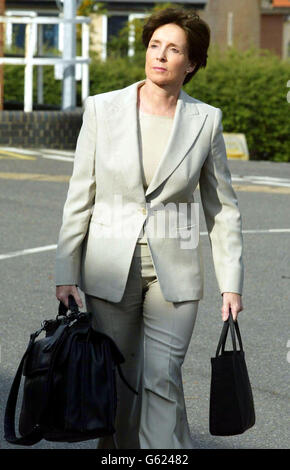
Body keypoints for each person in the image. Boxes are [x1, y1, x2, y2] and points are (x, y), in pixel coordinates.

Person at [55, 7, 244, 449]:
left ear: (192, 63)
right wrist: (66, 269)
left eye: (173, 48)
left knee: (162, 376)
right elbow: (79, 195)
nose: (160, 55)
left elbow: (223, 210)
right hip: (108, 266)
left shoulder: (205, 121)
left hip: (173, 272)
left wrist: (231, 284)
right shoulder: (102, 109)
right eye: (155, 45)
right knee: (117, 382)